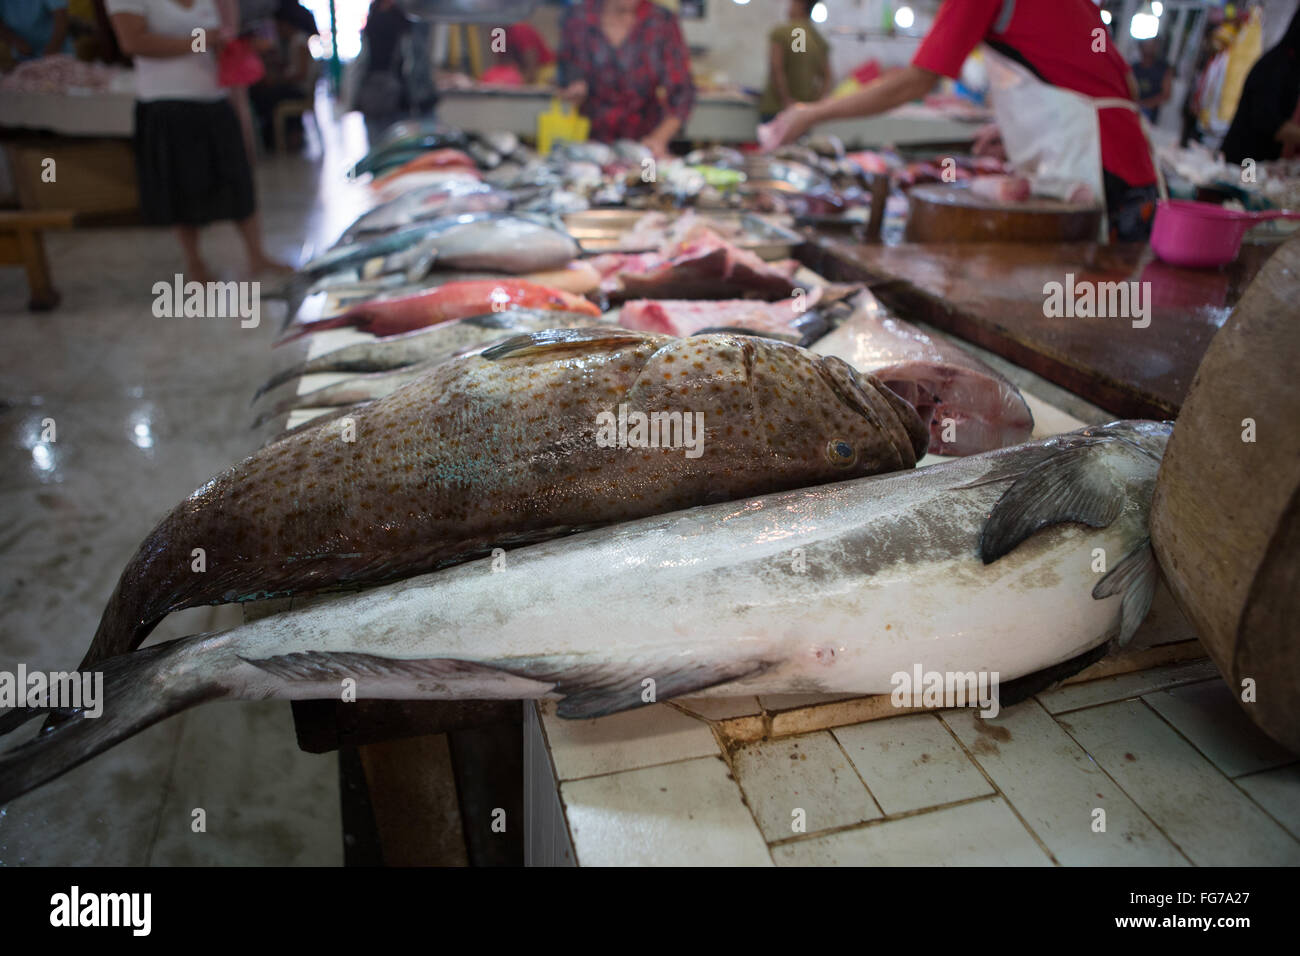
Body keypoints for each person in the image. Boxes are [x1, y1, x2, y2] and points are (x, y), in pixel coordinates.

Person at [764, 0, 1162, 242]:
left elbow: (917, 80)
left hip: (1100, 169)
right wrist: (1026, 130)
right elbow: (1117, 81)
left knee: (1091, 312)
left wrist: (812, 112)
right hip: (1129, 162)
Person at [106, 0, 288, 282]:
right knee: (183, 187)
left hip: (213, 97)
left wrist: (234, 45)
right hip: (166, 103)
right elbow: (132, 42)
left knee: (238, 180)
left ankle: (257, 255)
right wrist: (200, 41)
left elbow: (212, 38)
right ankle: (196, 264)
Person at [557, 0, 694, 155]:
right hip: (588, 144)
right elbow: (566, 69)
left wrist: (658, 139)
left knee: (647, 178)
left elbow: (682, 93)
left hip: (645, 142)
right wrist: (572, 88)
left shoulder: (661, 21)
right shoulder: (578, 16)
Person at [1221, 9, 1300, 164]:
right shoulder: (1276, 65)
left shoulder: (1289, 67)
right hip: (1245, 161)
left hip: (1258, 164)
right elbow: (1270, 123)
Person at [249, 0, 316, 150]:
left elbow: (302, 74)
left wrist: (279, 79)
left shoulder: (299, 41)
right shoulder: (292, 41)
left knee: (265, 96)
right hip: (294, 89)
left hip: (299, 91)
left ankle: (279, 139)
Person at [758, 0, 832, 122]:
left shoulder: (781, 33)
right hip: (804, 114)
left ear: (800, 4)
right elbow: (828, 77)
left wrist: (786, 100)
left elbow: (776, 68)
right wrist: (815, 105)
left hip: (776, 109)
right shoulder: (818, 39)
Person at [0, 0, 72, 60]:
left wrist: (52, 50)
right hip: (24, 57)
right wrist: (14, 41)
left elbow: (61, 16)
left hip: (59, 52)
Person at [1131, 39, 1171, 123]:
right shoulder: (1134, 67)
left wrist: (1146, 104)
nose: (1149, 47)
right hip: (1132, 107)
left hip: (1149, 113)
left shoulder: (1163, 69)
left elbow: (1166, 95)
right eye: (1147, 45)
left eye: (1152, 45)